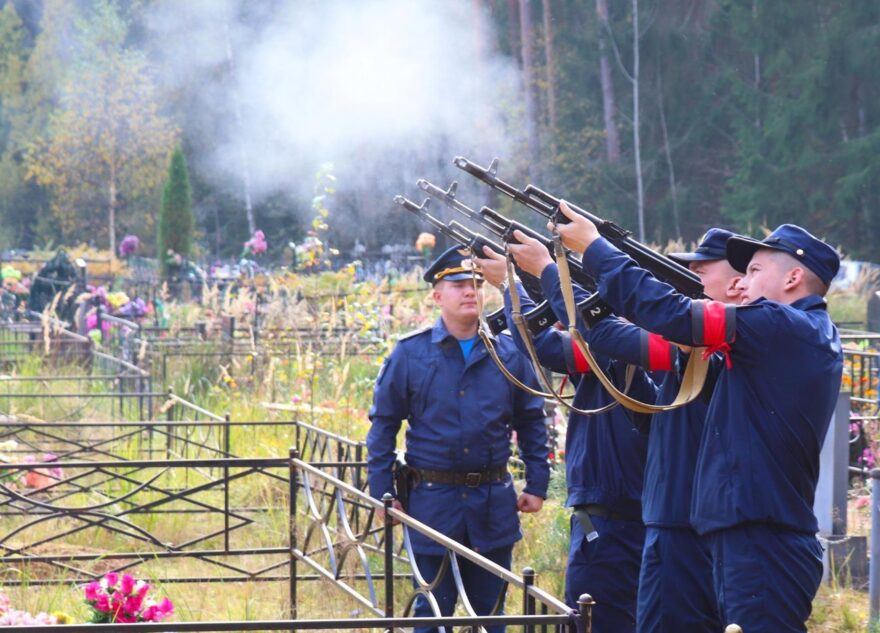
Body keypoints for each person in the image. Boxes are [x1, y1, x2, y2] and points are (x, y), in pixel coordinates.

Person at [554, 205, 843, 633]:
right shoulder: (784, 334)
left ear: (792, 278)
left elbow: (673, 314)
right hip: (750, 533)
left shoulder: (783, 326)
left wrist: (594, 248)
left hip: (761, 538)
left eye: (755, 270)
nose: (742, 282)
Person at [490, 228, 744, 632]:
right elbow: (548, 347)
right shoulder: (640, 344)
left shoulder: (669, 346)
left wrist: (541, 274)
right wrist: (514, 287)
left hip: (637, 515)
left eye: (701, 273)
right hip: (624, 514)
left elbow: (587, 337)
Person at [366, 246, 550, 633]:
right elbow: (383, 425)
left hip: (491, 505)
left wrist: (537, 483)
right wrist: (383, 492)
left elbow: (531, 420)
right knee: (433, 614)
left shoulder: (508, 354)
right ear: (437, 295)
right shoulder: (410, 354)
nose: (470, 291)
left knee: (490, 615)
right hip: (433, 505)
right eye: (458, 285)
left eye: (476, 284)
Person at [476, 248, 651, 633]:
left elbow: (543, 346)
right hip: (616, 518)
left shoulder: (621, 348)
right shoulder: (629, 348)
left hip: (615, 523)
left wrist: (511, 284)